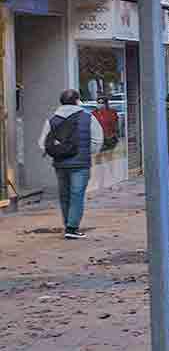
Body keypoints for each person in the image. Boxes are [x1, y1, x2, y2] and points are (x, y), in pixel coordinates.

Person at [40, 89, 103, 239]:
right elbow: (97, 140)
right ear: (77, 100)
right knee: (77, 194)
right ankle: (72, 228)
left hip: (60, 164)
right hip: (80, 163)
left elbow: (43, 143)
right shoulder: (88, 117)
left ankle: (68, 224)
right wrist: (88, 153)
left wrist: (56, 153)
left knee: (64, 195)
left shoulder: (52, 119)